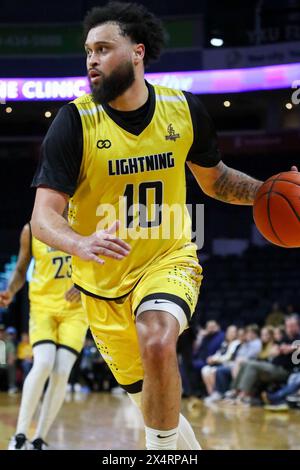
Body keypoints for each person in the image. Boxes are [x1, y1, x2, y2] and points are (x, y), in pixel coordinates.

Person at [30, 1, 298, 450]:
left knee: (157, 339)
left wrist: (271, 189)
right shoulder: (74, 122)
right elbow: (42, 217)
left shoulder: (183, 110)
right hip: (102, 286)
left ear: (137, 52)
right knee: (157, 413)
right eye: (87, 51)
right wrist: (79, 242)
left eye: (103, 48)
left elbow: (217, 181)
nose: (91, 60)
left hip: (167, 258)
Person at [0, 223, 88, 450]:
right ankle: (19, 436)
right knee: (44, 363)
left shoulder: (85, 219)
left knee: (61, 371)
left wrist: (84, 286)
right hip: (43, 307)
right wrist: (10, 291)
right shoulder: (32, 228)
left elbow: (102, 265)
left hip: (76, 310)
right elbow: (21, 269)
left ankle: (39, 438)